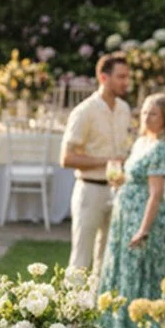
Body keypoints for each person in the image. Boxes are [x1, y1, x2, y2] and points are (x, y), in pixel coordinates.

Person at [98, 93, 165, 328]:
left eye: (153, 113)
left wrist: (143, 229)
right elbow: (134, 179)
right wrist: (119, 180)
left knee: (140, 275)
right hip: (125, 216)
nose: (146, 117)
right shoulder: (141, 141)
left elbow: (155, 194)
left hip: (144, 219)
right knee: (121, 272)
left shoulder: (161, 147)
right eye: (144, 112)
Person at [60, 52, 133, 271]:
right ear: (103, 78)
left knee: (109, 259)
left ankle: (102, 305)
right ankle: (72, 304)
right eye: (120, 77)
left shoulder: (124, 109)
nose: (125, 82)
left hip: (117, 189)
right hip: (90, 190)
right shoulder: (84, 111)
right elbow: (66, 158)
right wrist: (106, 161)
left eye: (127, 77)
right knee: (81, 259)